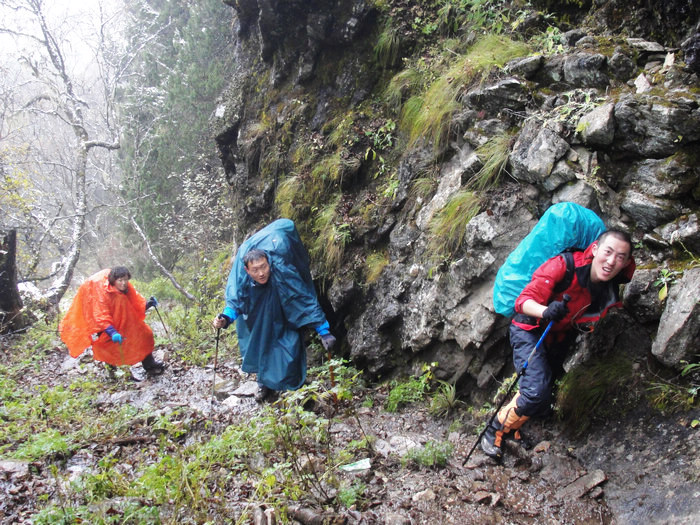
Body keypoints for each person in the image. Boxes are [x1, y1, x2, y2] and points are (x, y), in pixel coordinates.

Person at [481, 230, 636, 460]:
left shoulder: (614, 286)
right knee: (535, 392)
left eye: (620, 257)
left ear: (625, 262)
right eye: (608, 252)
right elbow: (523, 302)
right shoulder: (563, 266)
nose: (612, 261)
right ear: (595, 250)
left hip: (560, 338)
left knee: (545, 394)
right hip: (530, 330)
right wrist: (546, 311)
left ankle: (513, 427)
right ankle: (494, 429)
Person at [212, 219, 336, 402]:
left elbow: (303, 298)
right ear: (247, 270)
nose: (261, 273)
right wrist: (225, 318)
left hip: (284, 309)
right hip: (259, 315)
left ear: (269, 263)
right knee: (263, 345)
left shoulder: (282, 270)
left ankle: (295, 388)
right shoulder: (242, 276)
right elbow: (235, 302)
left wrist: (323, 331)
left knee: (291, 344)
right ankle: (265, 385)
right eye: (255, 270)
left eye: (264, 267)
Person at [60, 267, 164, 376]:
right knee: (109, 346)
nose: (123, 283)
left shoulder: (127, 289)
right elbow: (101, 315)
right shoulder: (102, 294)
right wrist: (112, 332)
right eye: (120, 280)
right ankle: (113, 373)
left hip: (123, 320)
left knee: (144, 335)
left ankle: (149, 364)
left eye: (125, 280)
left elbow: (134, 305)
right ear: (114, 281)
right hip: (105, 325)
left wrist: (148, 304)